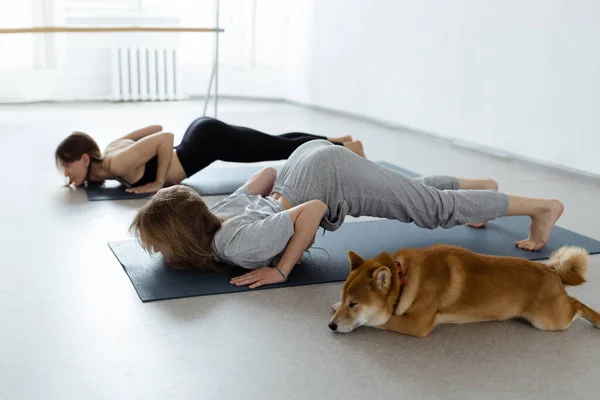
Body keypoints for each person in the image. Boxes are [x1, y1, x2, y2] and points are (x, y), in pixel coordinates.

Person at [129, 140, 564, 289]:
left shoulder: (237, 246)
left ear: (182, 237)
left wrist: (282, 269)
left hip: (326, 178)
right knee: (408, 193)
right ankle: (482, 189)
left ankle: (542, 208)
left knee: (432, 211)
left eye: (160, 244)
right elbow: (264, 175)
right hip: (305, 165)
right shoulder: (219, 214)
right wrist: (281, 202)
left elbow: (314, 211)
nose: (159, 252)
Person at [55, 117, 364, 194]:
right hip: (202, 137)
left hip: (207, 143)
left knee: (278, 148)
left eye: (66, 167)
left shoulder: (117, 161)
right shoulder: (110, 151)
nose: (66, 174)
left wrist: (158, 181)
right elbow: (156, 126)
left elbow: (164, 136)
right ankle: (339, 141)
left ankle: (348, 150)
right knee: (275, 143)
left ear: (84, 158)